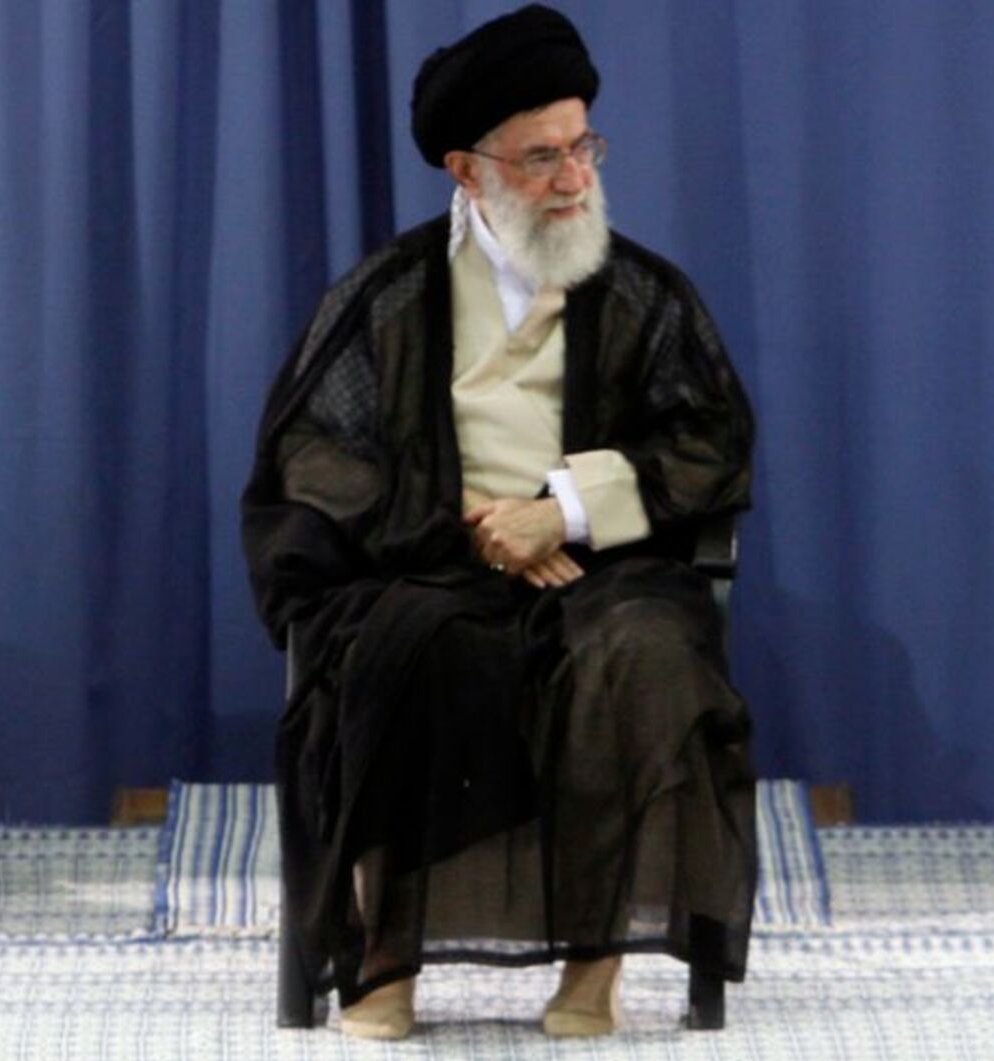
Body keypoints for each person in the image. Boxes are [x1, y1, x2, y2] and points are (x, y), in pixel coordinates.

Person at [242, 4, 756, 1041]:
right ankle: (384, 956)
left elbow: (711, 439)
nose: (572, 179)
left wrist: (562, 511)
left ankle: (594, 963)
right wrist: (464, 525)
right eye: (540, 158)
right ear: (466, 171)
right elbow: (312, 453)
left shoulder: (644, 293)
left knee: (641, 650)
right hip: (425, 564)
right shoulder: (387, 296)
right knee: (410, 649)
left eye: (582, 147)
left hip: (599, 572)